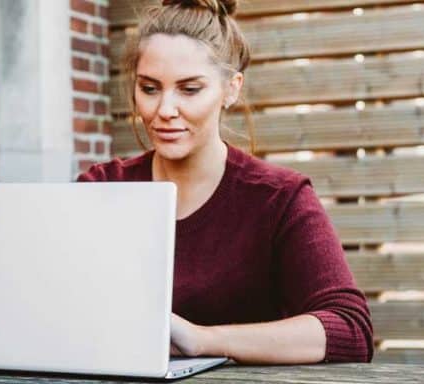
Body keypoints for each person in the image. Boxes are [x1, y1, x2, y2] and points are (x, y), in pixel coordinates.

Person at [76, 0, 373, 364]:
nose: (164, 110)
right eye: (150, 89)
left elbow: (350, 329)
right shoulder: (102, 189)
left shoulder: (279, 199)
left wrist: (202, 340)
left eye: (189, 89)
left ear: (231, 89)